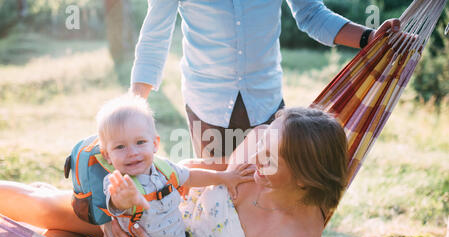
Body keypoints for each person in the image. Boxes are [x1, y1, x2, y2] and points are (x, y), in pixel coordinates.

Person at [0, 106, 348, 237]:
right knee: (43, 206)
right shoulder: (263, 141)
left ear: (305, 178)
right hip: (146, 202)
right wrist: (154, 175)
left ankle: (74, 232)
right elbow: (200, 168)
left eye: (270, 158)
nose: (255, 156)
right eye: (261, 143)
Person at [130, 0, 400, 160]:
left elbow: (312, 15)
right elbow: (156, 35)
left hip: (266, 103)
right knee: (218, 201)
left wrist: (369, 39)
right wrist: (133, 109)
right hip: (207, 106)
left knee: (267, 196)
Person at [94, 94, 253, 237]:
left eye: (140, 142)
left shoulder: (163, 167)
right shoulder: (118, 183)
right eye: (120, 147)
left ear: (155, 143)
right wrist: (126, 199)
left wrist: (225, 177)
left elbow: (190, 176)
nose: (132, 152)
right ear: (107, 154)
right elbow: (117, 202)